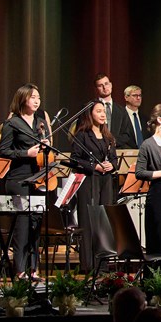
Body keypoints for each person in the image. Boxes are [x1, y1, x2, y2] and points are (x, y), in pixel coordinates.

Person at [0, 83, 52, 280]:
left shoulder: (40, 122)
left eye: (38, 97)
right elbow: (4, 151)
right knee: (22, 225)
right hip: (19, 179)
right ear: (23, 99)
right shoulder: (12, 123)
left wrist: (45, 147)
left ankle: (33, 268)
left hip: (38, 179)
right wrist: (26, 153)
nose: (37, 100)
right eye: (33, 97)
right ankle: (19, 270)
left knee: (36, 224)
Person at [71, 100, 117, 272]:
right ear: (90, 115)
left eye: (104, 111)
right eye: (99, 111)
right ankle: (88, 265)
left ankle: (103, 264)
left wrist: (112, 165)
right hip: (89, 181)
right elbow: (75, 160)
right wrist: (94, 166)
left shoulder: (108, 136)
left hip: (105, 182)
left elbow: (114, 159)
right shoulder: (82, 135)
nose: (103, 114)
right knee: (89, 222)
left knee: (104, 221)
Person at [135, 103, 161, 255]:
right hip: (158, 195)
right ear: (160, 120)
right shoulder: (148, 145)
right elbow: (140, 172)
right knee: (160, 236)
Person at [123, 85, 148, 150]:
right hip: (127, 154)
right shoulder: (120, 116)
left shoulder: (144, 118)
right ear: (126, 97)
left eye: (140, 95)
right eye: (135, 95)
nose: (138, 98)